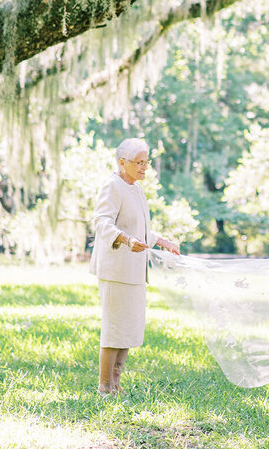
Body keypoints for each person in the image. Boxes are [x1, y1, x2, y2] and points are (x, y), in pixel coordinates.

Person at [89, 138, 180, 395]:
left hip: (135, 270)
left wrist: (161, 241)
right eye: (139, 163)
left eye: (146, 162)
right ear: (122, 163)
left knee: (128, 329)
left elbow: (138, 229)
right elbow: (102, 222)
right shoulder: (112, 185)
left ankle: (116, 384)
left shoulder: (135, 189)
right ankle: (104, 388)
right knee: (114, 329)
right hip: (116, 270)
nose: (144, 168)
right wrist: (126, 240)